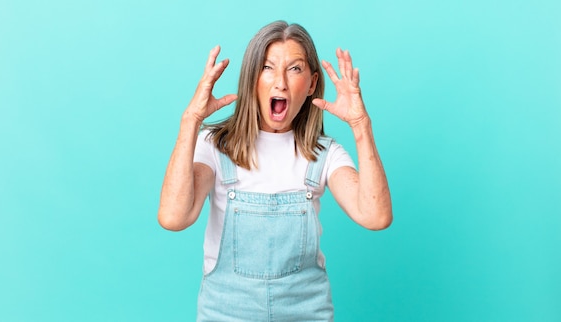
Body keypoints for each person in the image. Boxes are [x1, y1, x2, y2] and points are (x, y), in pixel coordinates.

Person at [158, 20, 392, 321]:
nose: (280, 82)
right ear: (251, 78)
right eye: (268, 67)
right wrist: (190, 120)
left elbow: (376, 216)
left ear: (311, 84)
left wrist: (361, 126)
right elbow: (173, 217)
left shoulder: (324, 153)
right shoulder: (215, 147)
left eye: (294, 68)